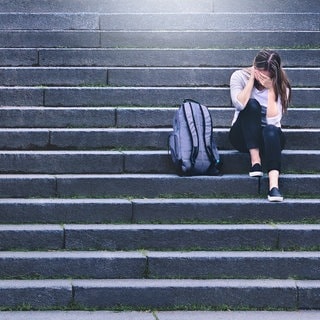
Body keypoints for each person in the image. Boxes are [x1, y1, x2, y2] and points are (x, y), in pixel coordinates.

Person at [229, 49, 291, 202]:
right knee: (251, 105)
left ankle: (273, 186)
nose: (261, 78)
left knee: (271, 130)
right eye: (259, 72)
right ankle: (255, 162)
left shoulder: (282, 87)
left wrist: (271, 90)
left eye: (266, 75)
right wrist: (250, 80)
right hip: (242, 136)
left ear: (273, 74)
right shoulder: (239, 76)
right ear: (254, 66)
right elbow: (239, 104)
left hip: (269, 139)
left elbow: (273, 122)